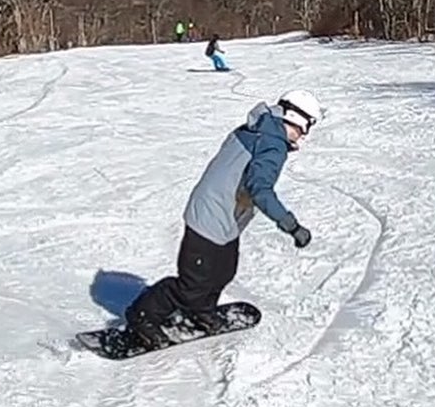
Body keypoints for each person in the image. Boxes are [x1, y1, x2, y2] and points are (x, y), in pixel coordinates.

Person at [124, 90, 322, 349]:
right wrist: (291, 225)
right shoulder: (272, 144)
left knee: (222, 271)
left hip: (224, 217)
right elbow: (259, 189)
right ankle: (143, 317)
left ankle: (199, 310)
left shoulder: (258, 128)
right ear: (295, 118)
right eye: (305, 128)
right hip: (210, 216)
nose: (304, 136)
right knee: (192, 282)